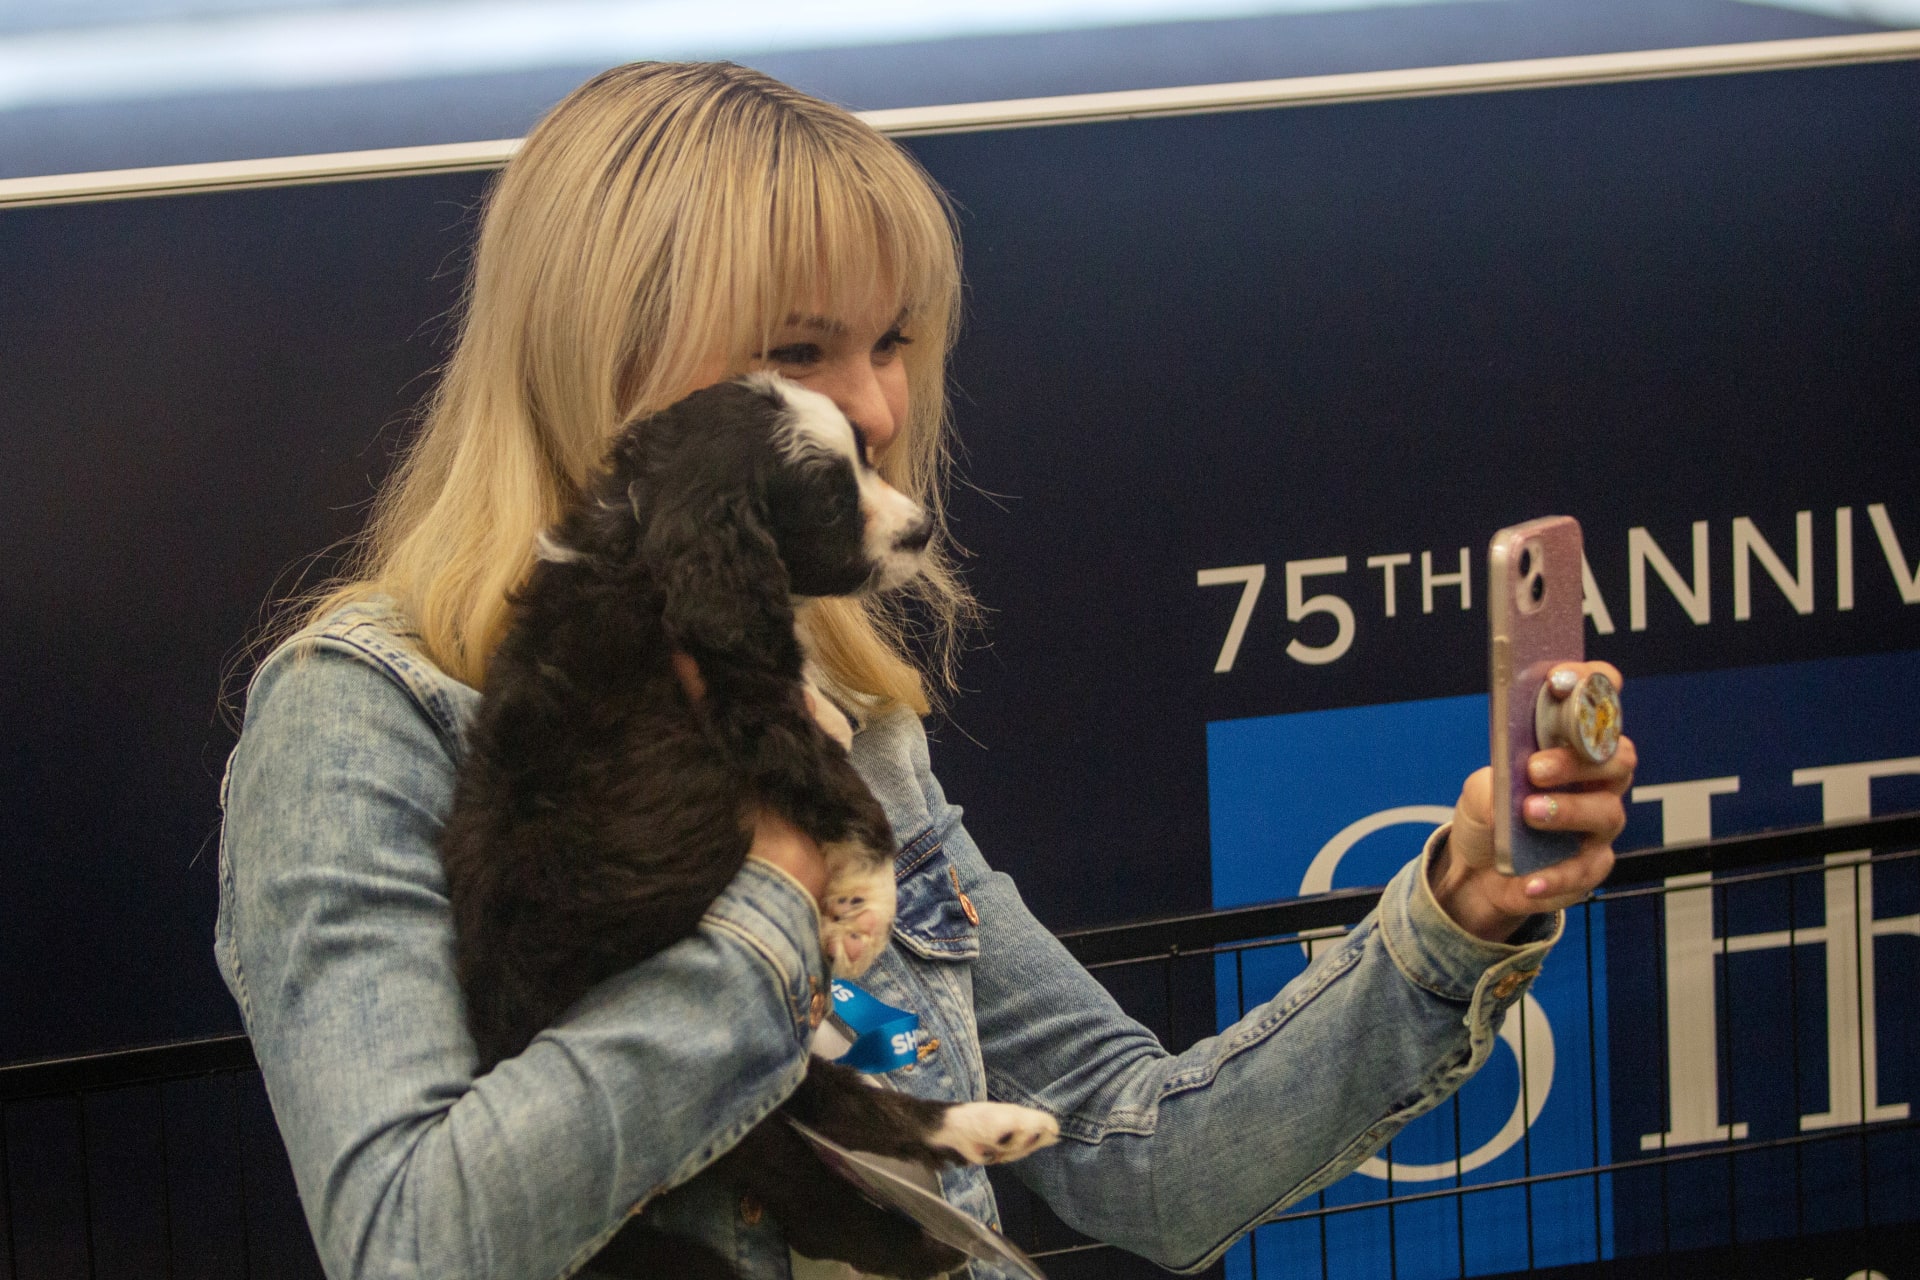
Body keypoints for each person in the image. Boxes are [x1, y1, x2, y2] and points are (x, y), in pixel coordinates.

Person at [216, 61, 1635, 1280]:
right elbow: (411, 1240)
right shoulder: (367, 722)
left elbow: (1144, 1150)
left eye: (893, 340)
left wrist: (1457, 911)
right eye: (801, 348)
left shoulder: (847, 711)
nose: (883, 407)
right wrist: (774, 902)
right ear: (610, 359)